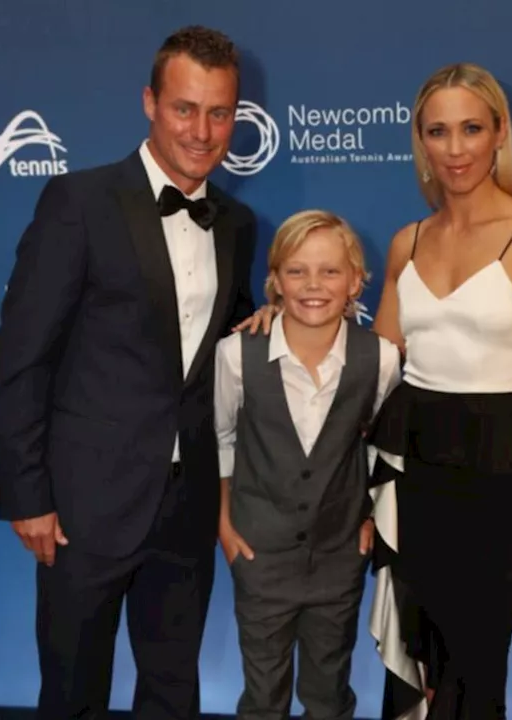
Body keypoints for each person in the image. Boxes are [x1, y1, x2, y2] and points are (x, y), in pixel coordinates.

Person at [236, 62, 512, 720]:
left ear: (499, 133)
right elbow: (375, 361)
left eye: (471, 129)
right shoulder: (407, 242)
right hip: (409, 471)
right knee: (415, 664)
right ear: (420, 141)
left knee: (479, 664)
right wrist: (276, 318)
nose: (455, 149)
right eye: (438, 131)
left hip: (495, 473)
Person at [0, 26, 257, 719]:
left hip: (188, 501)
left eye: (220, 112)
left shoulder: (236, 221)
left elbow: (223, 336)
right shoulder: (79, 203)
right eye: (184, 108)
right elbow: (22, 357)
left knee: (172, 690)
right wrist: (26, 495)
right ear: (149, 102)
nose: (203, 131)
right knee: (73, 691)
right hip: (84, 502)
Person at [214, 210, 403, 720]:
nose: (313, 285)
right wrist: (225, 524)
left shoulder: (380, 359)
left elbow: (382, 449)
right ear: (274, 280)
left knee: (328, 693)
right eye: (297, 271)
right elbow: (220, 439)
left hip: (339, 556)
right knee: (263, 696)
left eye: (330, 271)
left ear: (356, 280)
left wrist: (369, 517)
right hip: (258, 554)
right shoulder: (237, 355)